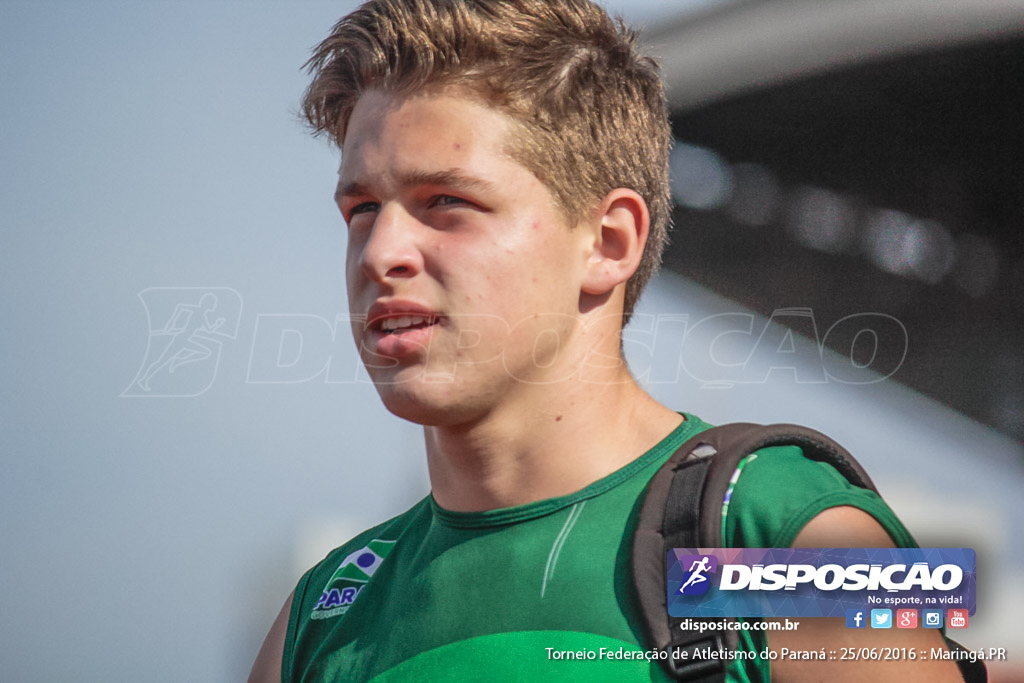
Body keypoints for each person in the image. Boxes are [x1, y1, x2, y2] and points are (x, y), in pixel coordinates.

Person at [250, 1, 961, 680]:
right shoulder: (321, 617)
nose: (381, 252)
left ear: (608, 241)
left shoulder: (783, 535)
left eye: (447, 203)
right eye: (364, 208)